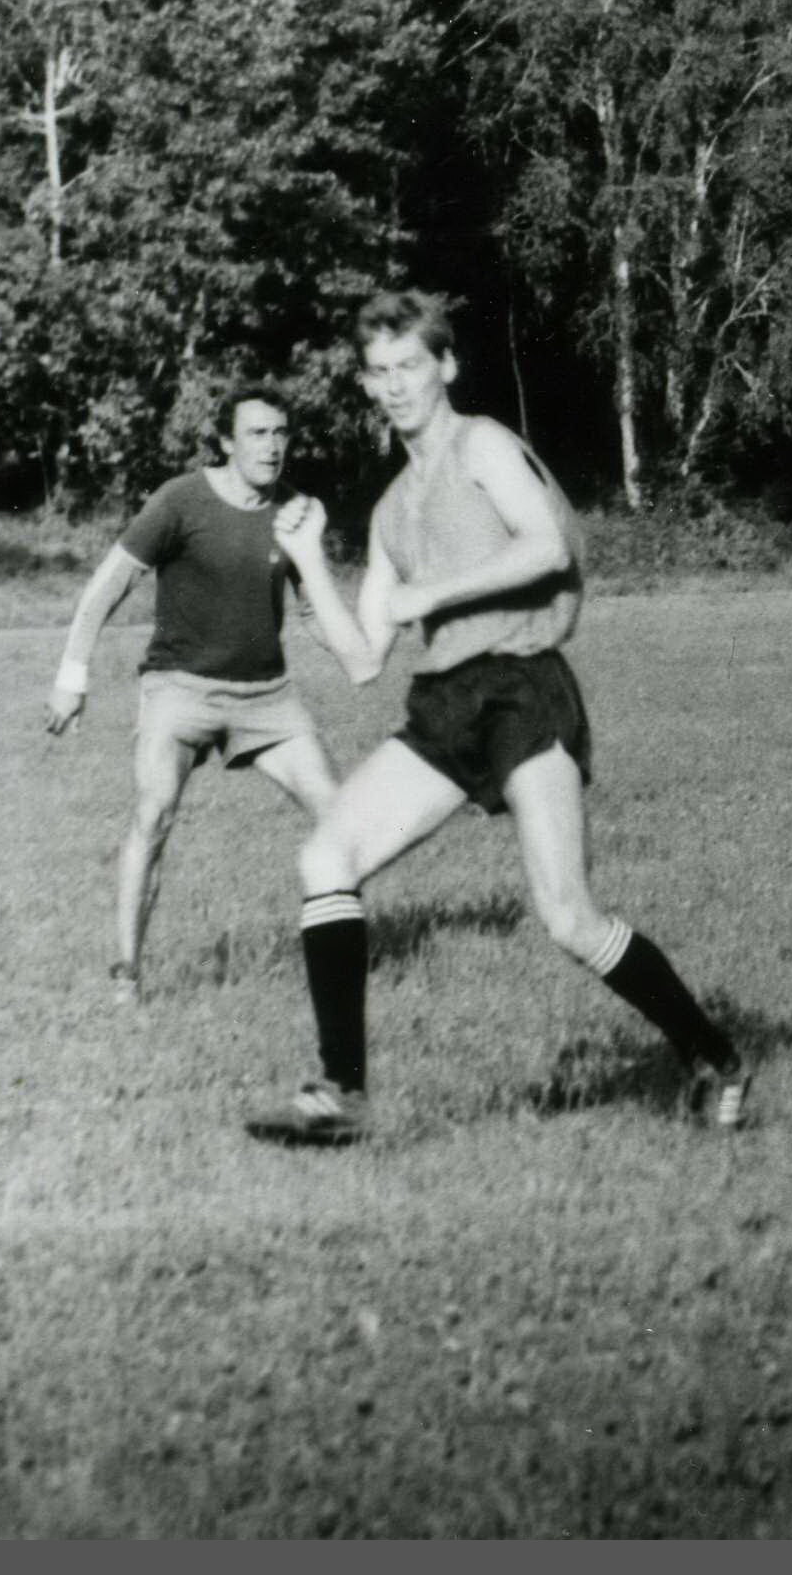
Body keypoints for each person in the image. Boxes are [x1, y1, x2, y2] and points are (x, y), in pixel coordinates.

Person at [266, 292, 749, 1143]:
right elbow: (364, 656)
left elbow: (546, 545)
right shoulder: (390, 507)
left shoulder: (482, 444)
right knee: (325, 857)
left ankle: (714, 1056)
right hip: (444, 705)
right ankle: (343, 1092)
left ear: (446, 365)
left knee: (567, 916)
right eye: (377, 372)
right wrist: (309, 562)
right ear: (365, 384)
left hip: (523, 687)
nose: (394, 385)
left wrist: (429, 593)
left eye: (409, 365)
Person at [50, 388, 348, 995]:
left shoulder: (293, 510)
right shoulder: (180, 500)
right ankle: (126, 973)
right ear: (226, 442)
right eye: (257, 433)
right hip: (179, 689)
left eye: (281, 433)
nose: (272, 446)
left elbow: (311, 611)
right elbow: (107, 587)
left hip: (266, 696)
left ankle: (338, 965)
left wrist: (361, 647)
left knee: (341, 817)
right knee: (154, 813)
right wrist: (71, 677)